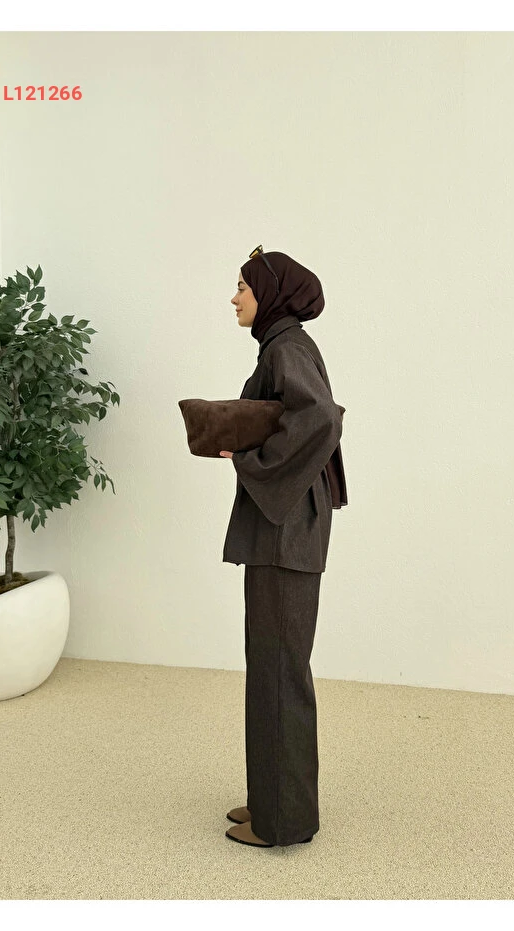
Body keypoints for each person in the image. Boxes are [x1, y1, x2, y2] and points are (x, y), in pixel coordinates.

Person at [220, 247, 347, 848]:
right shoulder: (281, 345)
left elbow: (320, 418)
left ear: (268, 295)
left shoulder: (287, 348)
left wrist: (253, 460)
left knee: (280, 670)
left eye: (242, 287)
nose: (234, 297)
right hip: (285, 524)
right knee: (271, 663)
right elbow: (289, 418)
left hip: (285, 528)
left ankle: (284, 822)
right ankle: (271, 798)